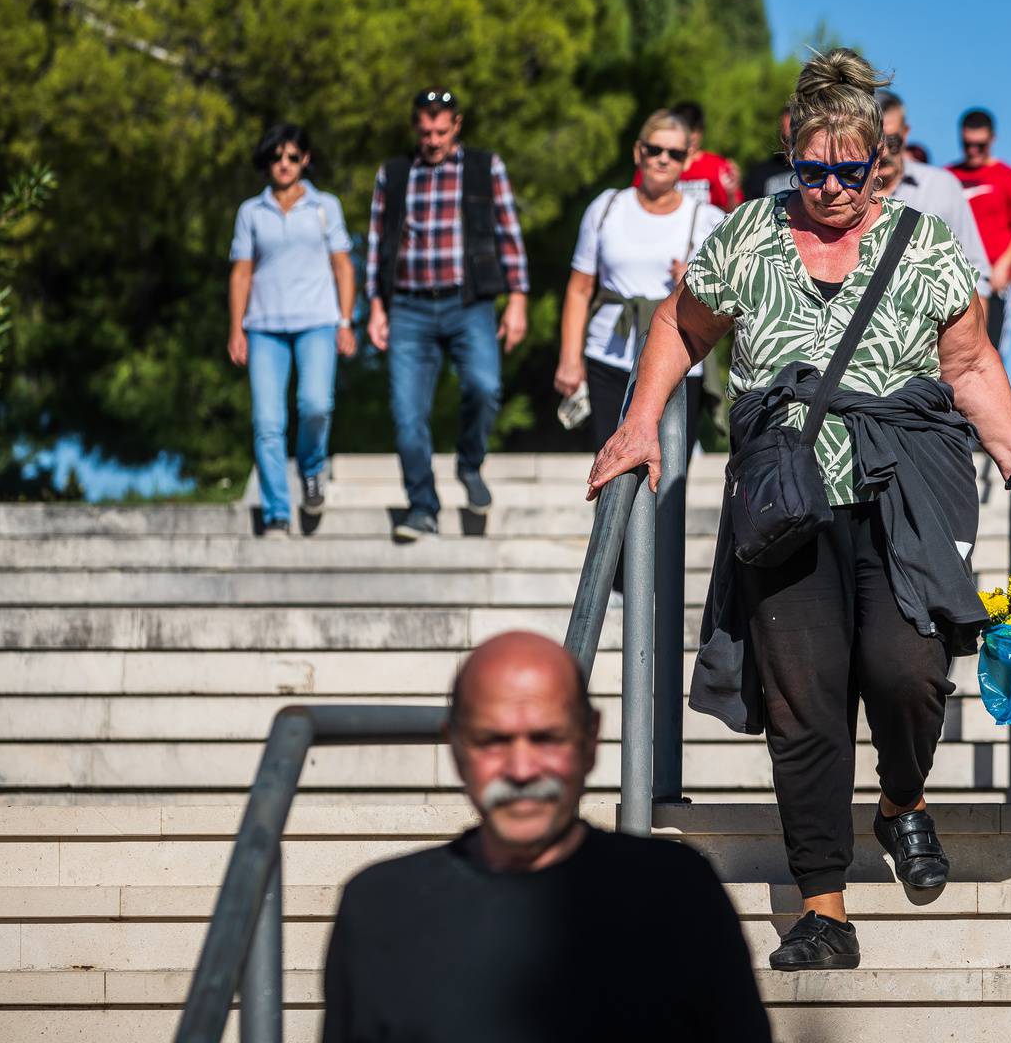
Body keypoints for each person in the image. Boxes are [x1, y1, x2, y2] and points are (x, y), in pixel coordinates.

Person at [587, 49, 1011, 971]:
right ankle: (824, 909)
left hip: (907, 491)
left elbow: (968, 365)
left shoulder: (927, 242)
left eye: (855, 170)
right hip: (784, 498)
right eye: (816, 170)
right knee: (804, 704)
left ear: (882, 159)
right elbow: (679, 328)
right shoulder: (746, 235)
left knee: (909, 673)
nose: (835, 188)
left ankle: (899, 803)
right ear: (789, 152)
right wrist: (640, 423)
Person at [321, 631, 770, 1041]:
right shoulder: (382, 907)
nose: (521, 770)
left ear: (589, 740)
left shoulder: (678, 895)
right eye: (492, 740)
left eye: (546, 738)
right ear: (455, 746)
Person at [365, 88, 529, 542]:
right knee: (406, 413)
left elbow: (508, 234)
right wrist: (375, 305)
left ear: (457, 124)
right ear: (415, 127)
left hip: (468, 303)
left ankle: (469, 462)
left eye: (441, 130)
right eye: (425, 130)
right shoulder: (395, 174)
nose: (433, 139)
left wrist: (517, 299)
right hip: (408, 307)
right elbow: (378, 243)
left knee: (484, 385)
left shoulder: (484, 167)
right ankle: (422, 506)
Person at [555, 110, 724, 447]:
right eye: (654, 150)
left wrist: (695, 285)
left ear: (687, 159)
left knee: (669, 478)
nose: (663, 159)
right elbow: (579, 289)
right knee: (610, 473)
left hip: (678, 363)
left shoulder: (707, 220)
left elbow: (729, 304)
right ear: (638, 152)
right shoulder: (606, 207)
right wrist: (569, 359)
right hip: (608, 356)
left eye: (674, 153)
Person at [227, 123, 356, 533]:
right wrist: (236, 328)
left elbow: (342, 266)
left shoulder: (325, 207)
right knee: (268, 423)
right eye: (276, 157)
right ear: (267, 163)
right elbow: (241, 273)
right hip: (264, 327)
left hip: (317, 321)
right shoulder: (251, 211)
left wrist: (346, 321)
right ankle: (277, 513)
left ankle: (312, 468)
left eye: (292, 157)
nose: (284, 165)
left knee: (315, 404)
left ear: (306, 160)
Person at [875, 91, 993, 297]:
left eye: (892, 141)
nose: (883, 152)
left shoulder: (942, 187)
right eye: (874, 142)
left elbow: (975, 277)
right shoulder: (841, 190)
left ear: (906, 133)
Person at [949, 107, 1011, 352]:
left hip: (995, 283)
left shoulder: (1010, 178)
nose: (973, 150)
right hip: (955, 281)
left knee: (989, 350)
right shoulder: (947, 177)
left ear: (992, 139)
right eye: (967, 144)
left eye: (980, 145)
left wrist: (1005, 265)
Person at [632, 100, 742, 210]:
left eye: (694, 130)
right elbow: (636, 204)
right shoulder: (652, 164)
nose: (664, 160)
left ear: (701, 132)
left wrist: (731, 194)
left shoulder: (719, 166)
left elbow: (733, 216)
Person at [741, 106, 792, 201]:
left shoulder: (816, 171)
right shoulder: (759, 173)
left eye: (794, 136)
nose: (789, 144)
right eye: (785, 137)